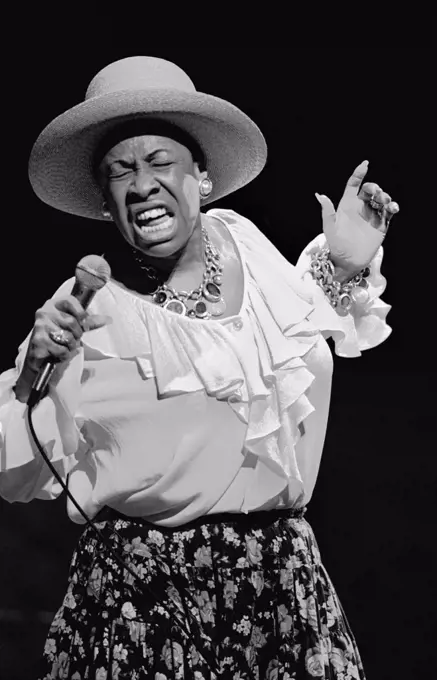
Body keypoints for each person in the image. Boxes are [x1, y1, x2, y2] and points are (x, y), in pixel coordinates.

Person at [0, 56, 399, 680]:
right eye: (119, 173)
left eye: (160, 162)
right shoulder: (85, 306)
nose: (142, 184)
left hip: (280, 586)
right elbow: (15, 472)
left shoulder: (249, 247)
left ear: (203, 179)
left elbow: (298, 339)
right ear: (106, 204)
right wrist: (34, 376)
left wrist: (345, 263)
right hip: (139, 595)